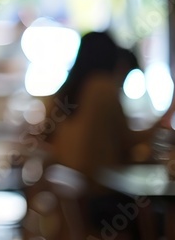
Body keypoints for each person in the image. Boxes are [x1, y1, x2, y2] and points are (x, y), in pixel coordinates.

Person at [46, 31, 168, 234]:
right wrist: (161, 125)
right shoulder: (103, 87)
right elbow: (127, 140)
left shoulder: (67, 89)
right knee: (157, 211)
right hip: (101, 195)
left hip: (80, 195)